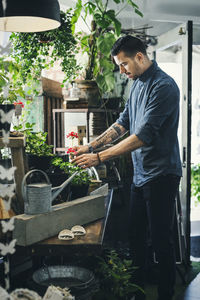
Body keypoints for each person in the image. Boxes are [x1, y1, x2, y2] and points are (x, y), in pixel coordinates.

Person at [72, 35, 182, 300]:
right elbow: (122, 124)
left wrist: (100, 158)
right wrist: (91, 147)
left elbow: (143, 135)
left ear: (140, 57)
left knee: (160, 244)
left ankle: (166, 295)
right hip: (141, 175)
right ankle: (137, 295)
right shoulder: (137, 85)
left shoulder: (164, 87)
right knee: (135, 239)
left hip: (162, 175)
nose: (122, 71)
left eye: (123, 65)